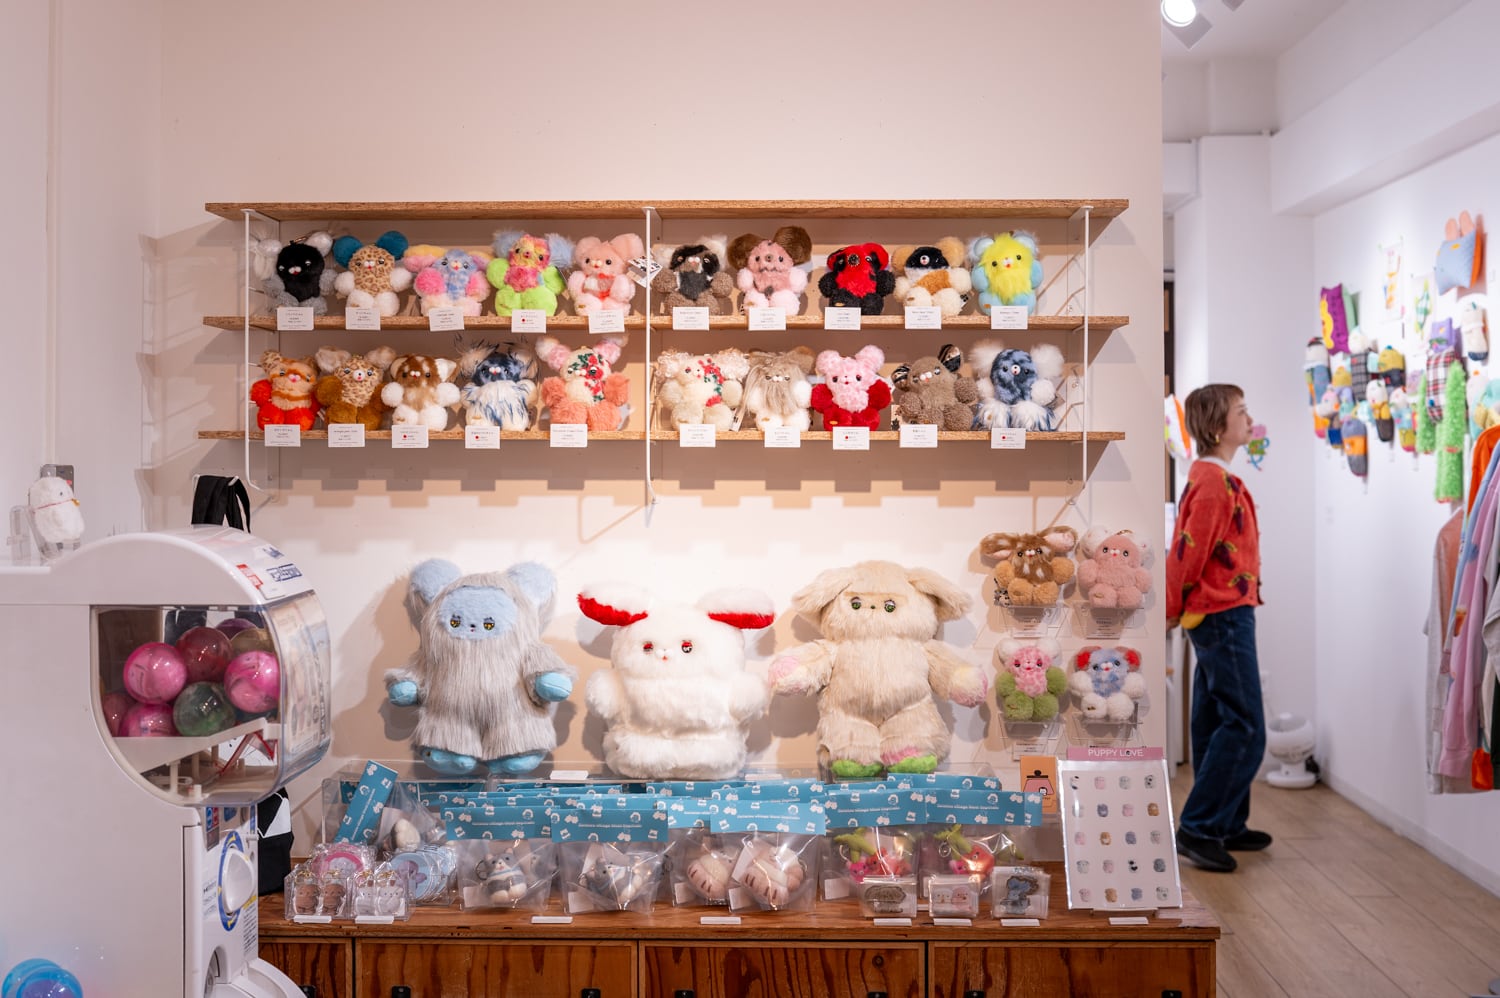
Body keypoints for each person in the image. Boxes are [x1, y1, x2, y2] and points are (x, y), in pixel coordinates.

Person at [1167, 383, 1269, 873]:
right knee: (1246, 725)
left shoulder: (1216, 477)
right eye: (1240, 412)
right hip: (1222, 613)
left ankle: (1224, 821)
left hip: (1223, 610)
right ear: (1216, 427)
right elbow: (1187, 552)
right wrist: (1171, 608)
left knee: (1215, 720)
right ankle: (1200, 826)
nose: (1249, 419)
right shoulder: (1212, 482)